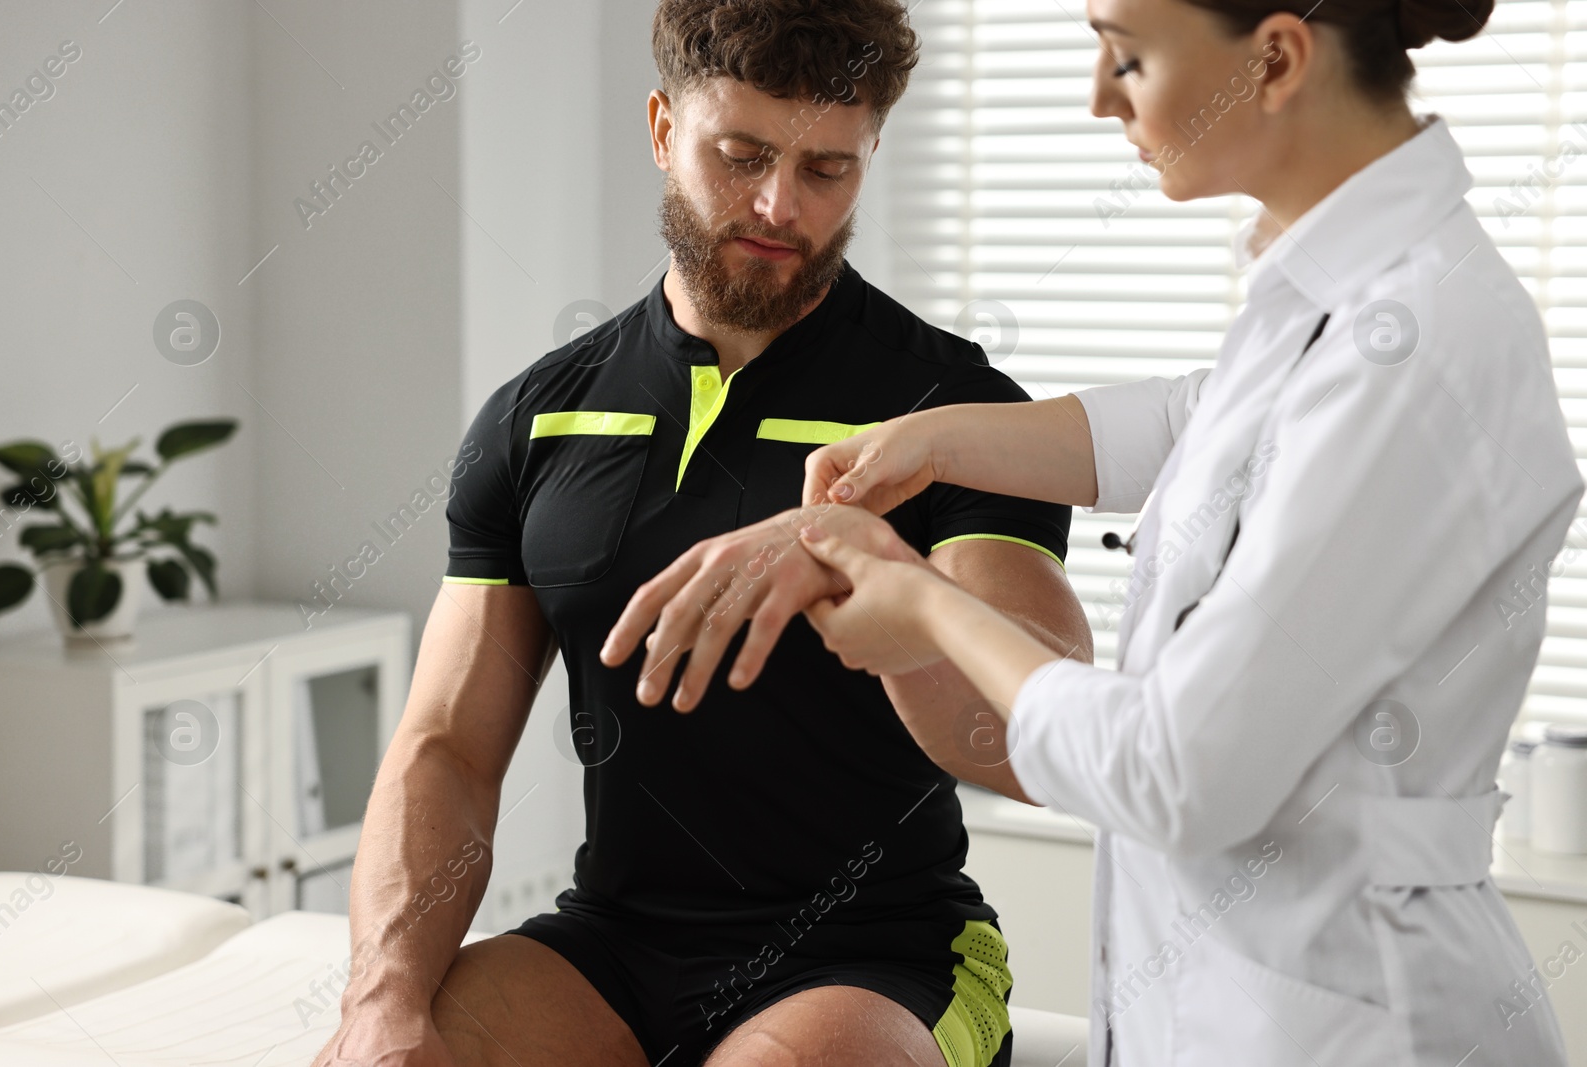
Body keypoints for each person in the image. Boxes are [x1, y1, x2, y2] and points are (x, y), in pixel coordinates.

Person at [611, 0, 1585, 1063]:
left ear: (1274, 59)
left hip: (1356, 1017)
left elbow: (1174, 768)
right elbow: (1201, 418)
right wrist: (932, 439)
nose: (1096, 95)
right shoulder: (1338, 292)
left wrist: (929, 611)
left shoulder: (1411, 344)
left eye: (1126, 56)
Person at [311, 3, 1092, 1066]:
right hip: (614, 942)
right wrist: (381, 1000)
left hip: (879, 949)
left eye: (828, 169)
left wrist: (870, 567)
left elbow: (1044, 745)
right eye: (742, 154)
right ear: (661, 129)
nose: (780, 204)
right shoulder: (539, 415)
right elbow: (445, 748)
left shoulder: (952, 412)